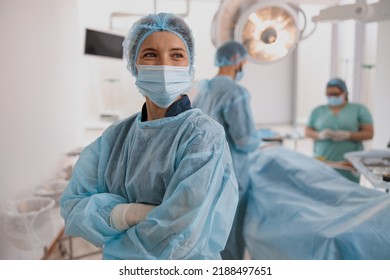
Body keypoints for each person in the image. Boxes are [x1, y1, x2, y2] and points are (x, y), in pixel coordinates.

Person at [60, 13, 239, 260]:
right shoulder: (116, 137)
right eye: (150, 54)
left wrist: (111, 217)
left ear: (189, 65)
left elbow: (180, 235)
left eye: (177, 55)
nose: (164, 65)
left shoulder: (204, 136)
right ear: (135, 65)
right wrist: (129, 214)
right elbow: (73, 206)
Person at [192, 40, 260, 260]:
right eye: (243, 63)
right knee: (228, 236)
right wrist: (258, 140)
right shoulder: (235, 92)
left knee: (209, 234)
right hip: (230, 176)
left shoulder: (204, 89)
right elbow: (245, 140)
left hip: (204, 175)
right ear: (235, 61)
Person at [305, 77, 374, 182]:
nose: (332, 97)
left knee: (350, 193)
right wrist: (319, 135)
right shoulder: (318, 111)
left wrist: (348, 135)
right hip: (323, 161)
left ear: (345, 93)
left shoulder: (359, 109)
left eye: (336, 94)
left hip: (349, 163)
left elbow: (369, 133)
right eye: (329, 94)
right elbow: (307, 131)